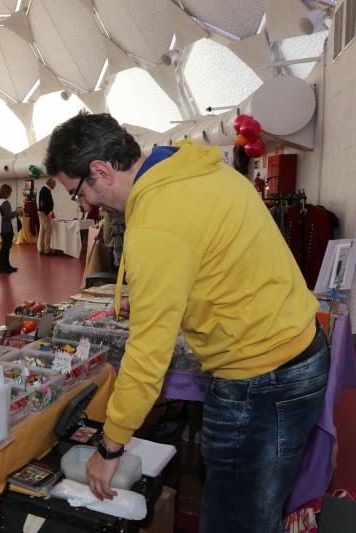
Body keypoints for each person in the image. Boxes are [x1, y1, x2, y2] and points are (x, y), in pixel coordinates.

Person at [44, 111, 327, 533]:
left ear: (100, 171)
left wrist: (111, 445)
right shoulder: (197, 170)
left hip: (259, 378)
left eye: (78, 192)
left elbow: (149, 349)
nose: (84, 206)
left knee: (235, 518)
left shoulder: (158, 220)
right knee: (254, 505)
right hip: (294, 350)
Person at [0, 184, 19, 273]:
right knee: (6, 248)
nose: (10, 194)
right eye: (10, 192)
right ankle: (4, 267)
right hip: (7, 229)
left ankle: (5, 265)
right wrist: (17, 212)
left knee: (5, 247)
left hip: (2, 228)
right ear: (6, 192)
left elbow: (5, 215)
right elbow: (8, 215)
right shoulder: (5, 202)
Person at [37, 177, 56, 255]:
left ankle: (41, 249)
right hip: (44, 213)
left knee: (42, 231)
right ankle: (47, 249)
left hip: (43, 213)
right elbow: (42, 203)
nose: (55, 185)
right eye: (54, 184)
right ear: (50, 183)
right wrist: (47, 212)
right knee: (48, 231)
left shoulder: (46, 190)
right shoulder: (45, 190)